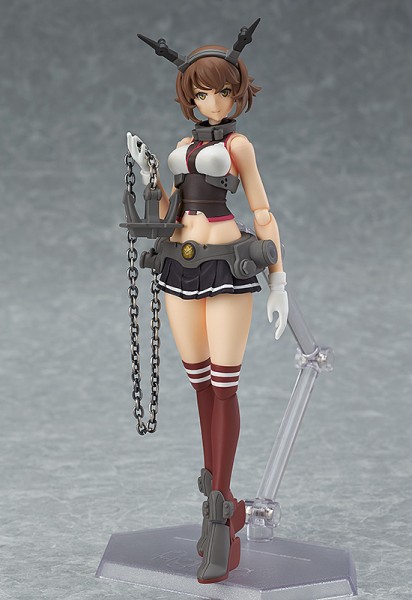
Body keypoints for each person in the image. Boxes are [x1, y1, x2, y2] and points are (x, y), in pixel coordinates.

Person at [126, 20, 288, 584]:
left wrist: (279, 282)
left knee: (224, 385)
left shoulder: (238, 145)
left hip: (224, 265)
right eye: (201, 94)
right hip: (179, 263)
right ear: (188, 97)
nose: (213, 103)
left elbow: (262, 212)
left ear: (236, 91)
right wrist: (151, 180)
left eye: (222, 92)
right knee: (199, 383)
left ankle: (221, 511)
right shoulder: (181, 147)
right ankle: (217, 497)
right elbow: (169, 210)